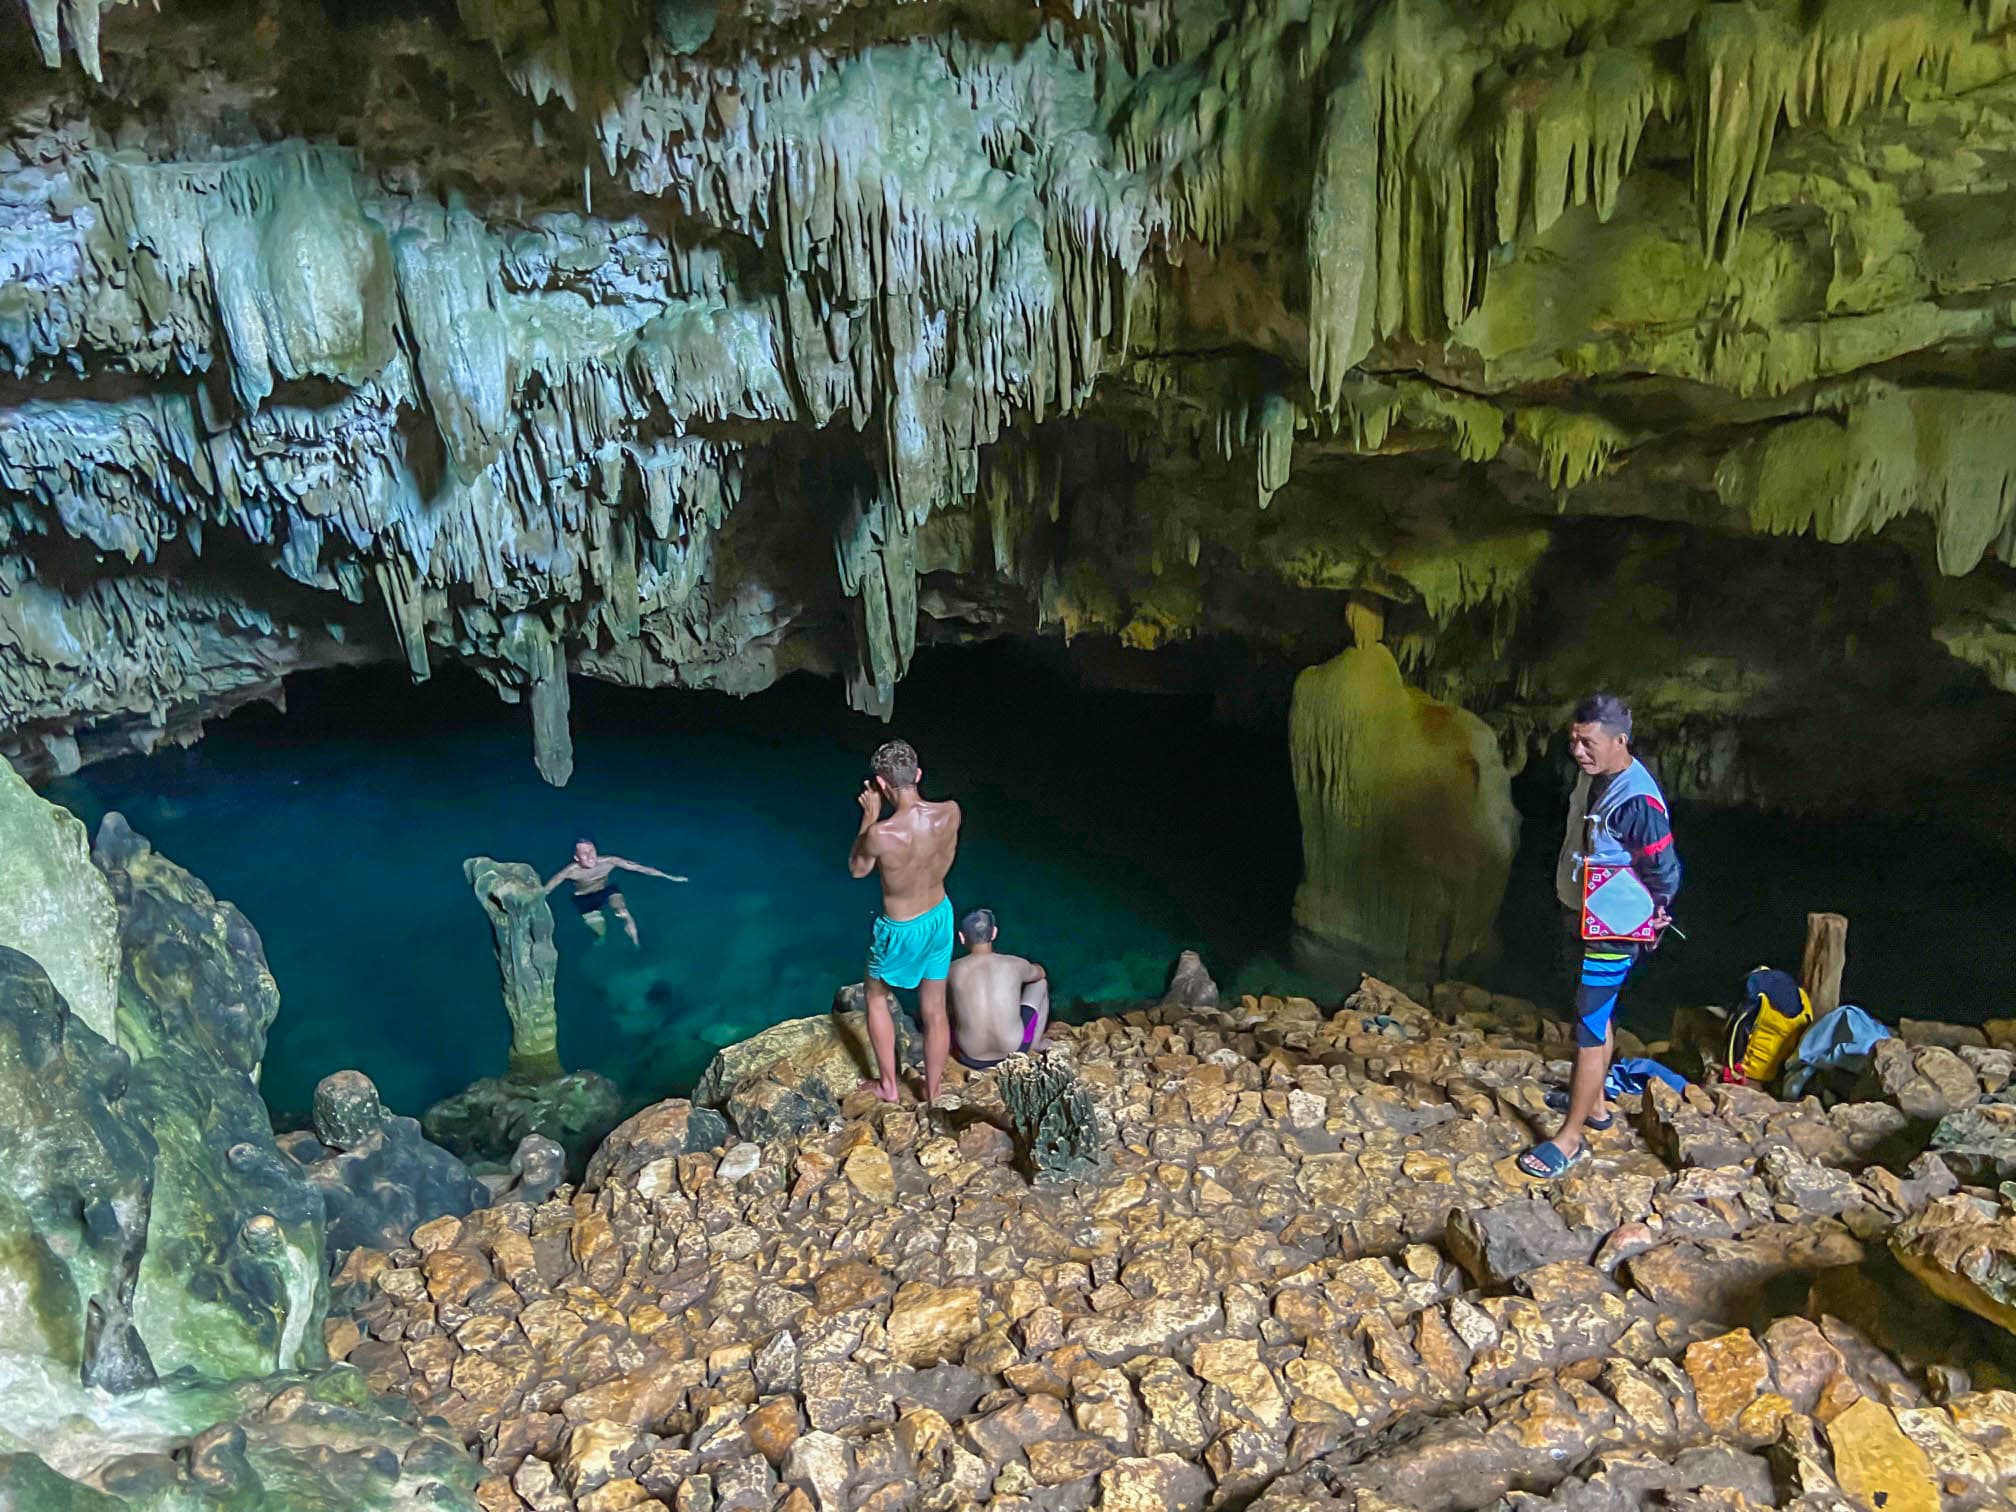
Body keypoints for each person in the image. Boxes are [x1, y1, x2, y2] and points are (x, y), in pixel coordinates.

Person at [1520, 692, 1681, 1181]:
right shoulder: (1597, 777)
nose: (1578, 752)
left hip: (1613, 928)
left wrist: (1655, 914)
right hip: (1589, 916)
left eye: (1588, 742)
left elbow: (1666, 870)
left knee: (1589, 1028)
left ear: (1619, 741)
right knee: (1595, 1011)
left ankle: (1569, 1139)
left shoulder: (1636, 802)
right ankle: (1593, 1107)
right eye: (1573, 740)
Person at [848, 739, 961, 1103]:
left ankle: (889, 1086)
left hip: (901, 928)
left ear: (880, 784)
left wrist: (869, 816)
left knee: (876, 995)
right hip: (941, 914)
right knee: (934, 1007)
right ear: (918, 774)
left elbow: (857, 870)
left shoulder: (881, 834)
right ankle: (932, 1089)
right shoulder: (951, 812)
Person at [946, 908, 1051, 1071]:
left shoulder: (951, 970)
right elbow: (1040, 973)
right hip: (1016, 1050)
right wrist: (1024, 972)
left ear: (961, 937)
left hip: (969, 1057)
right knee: (1041, 983)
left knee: (946, 1001)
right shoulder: (1014, 964)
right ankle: (1035, 1043)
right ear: (994, 933)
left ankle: (945, 1047)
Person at [542, 839, 686, 947]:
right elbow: (549, 888)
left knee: (623, 912)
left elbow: (639, 868)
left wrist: (670, 877)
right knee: (601, 929)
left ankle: (636, 944)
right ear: (576, 857)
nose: (590, 855)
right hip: (584, 898)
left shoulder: (609, 862)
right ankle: (602, 938)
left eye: (592, 851)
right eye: (584, 853)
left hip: (606, 891)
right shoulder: (571, 871)